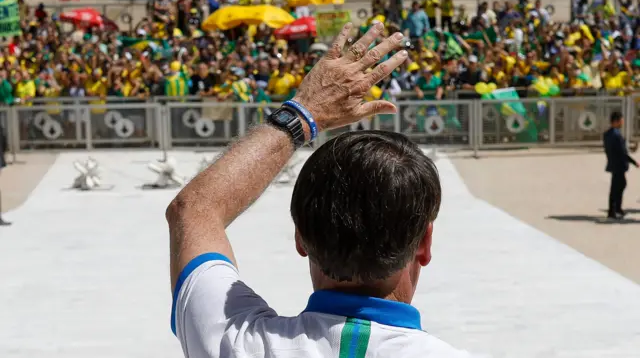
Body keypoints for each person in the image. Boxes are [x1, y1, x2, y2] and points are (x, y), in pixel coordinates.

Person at [166, 22, 478, 357]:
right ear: (425, 243)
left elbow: (195, 209)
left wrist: (305, 112)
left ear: (300, 237)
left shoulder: (235, 343)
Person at [603, 111, 638, 220]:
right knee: (618, 186)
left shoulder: (607, 134)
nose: (622, 122)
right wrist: (634, 162)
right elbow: (622, 152)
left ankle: (615, 209)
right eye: (621, 120)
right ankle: (615, 210)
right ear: (616, 121)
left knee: (618, 185)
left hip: (613, 163)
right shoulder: (616, 135)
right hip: (618, 164)